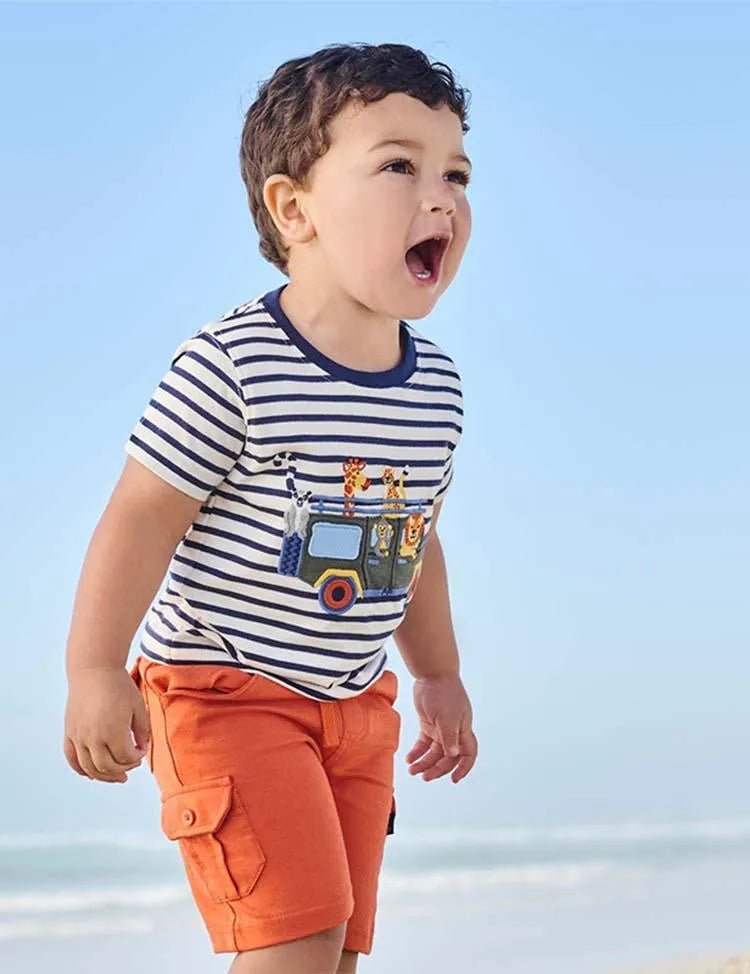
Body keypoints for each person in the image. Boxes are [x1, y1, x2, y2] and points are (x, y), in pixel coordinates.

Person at [63, 41, 478, 974]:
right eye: (399, 166)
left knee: (340, 948)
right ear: (295, 209)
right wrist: (93, 669)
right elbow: (141, 515)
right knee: (296, 936)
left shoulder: (437, 392)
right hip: (225, 691)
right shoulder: (234, 364)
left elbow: (415, 541)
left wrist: (439, 676)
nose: (441, 198)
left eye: (456, 173)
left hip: (354, 701)